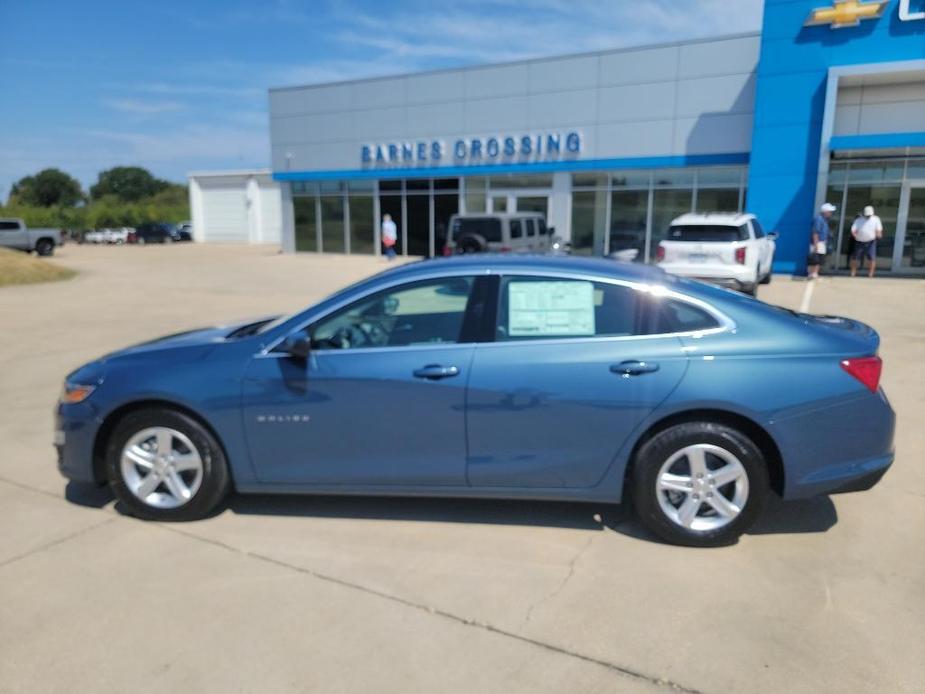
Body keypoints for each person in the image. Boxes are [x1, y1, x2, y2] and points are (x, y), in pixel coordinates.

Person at [850, 205, 883, 278]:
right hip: (859, 241)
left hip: (871, 241)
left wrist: (879, 234)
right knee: (855, 258)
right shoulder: (858, 220)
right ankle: (853, 272)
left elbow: (878, 229)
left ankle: (870, 274)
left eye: (869, 215)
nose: (868, 217)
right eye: (867, 215)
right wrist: (855, 235)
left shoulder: (876, 219)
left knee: (872, 258)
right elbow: (853, 230)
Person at [808, 202, 836, 279]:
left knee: (819, 258)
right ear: (825, 212)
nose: (831, 213)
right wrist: (816, 244)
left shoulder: (824, 220)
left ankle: (815, 273)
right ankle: (812, 273)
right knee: (815, 258)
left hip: (822, 242)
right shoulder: (819, 219)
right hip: (818, 242)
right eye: (830, 211)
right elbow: (815, 232)